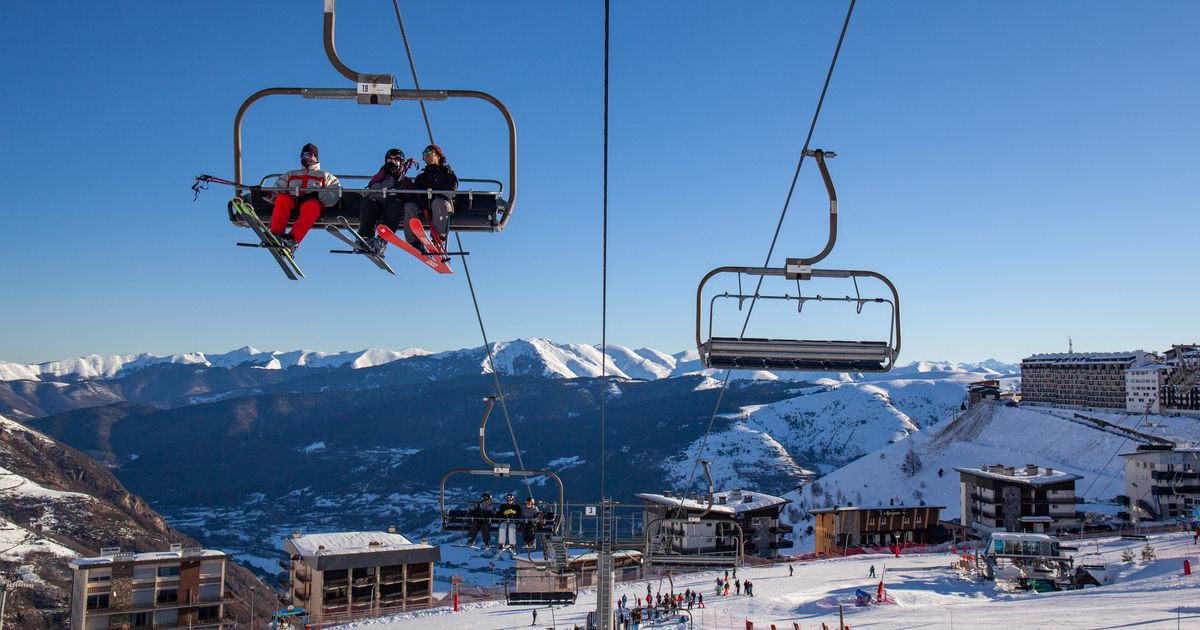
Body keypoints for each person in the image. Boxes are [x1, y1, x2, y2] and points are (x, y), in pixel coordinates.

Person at [269, 143, 341, 251]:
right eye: (303, 155)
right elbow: (276, 192)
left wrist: (316, 195)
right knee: (282, 198)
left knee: (312, 205)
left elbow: (334, 194)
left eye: (308, 154)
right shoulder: (291, 174)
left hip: (311, 204)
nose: (305, 157)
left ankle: (293, 239)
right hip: (293, 202)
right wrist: (264, 194)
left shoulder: (325, 176)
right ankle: (276, 234)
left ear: (315, 157)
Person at [403, 144, 458, 252]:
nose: (426, 156)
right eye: (424, 154)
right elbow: (415, 192)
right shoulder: (421, 176)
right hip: (425, 206)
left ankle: (438, 240)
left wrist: (432, 198)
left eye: (429, 153)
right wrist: (418, 199)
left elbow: (451, 191)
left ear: (438, 156)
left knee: (438, 203)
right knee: (409, 206)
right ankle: (414, 242)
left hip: (442, 205)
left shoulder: (447, 173)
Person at [357, 148, 411, 255]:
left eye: (395, 159)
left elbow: (410, 196)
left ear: (401, 162)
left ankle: (381, 240)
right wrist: (383, 171)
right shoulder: (382, 175)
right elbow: (371, 186)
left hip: (393, 207)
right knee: (368, 202)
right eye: (389, 159)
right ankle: (365, 237)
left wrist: (401, 190)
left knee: (395, 204)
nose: (392, 162)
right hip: (378, 204)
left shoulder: (405, 180)